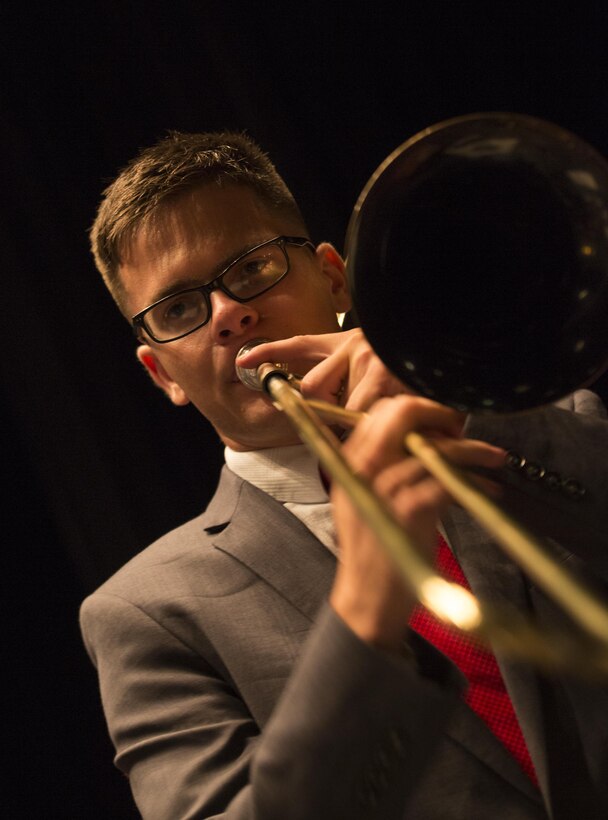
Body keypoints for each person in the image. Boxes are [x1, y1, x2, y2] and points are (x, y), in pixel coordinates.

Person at [80, 131, 608, 819]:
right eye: (178, 309)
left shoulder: (544, 420)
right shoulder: (147, 614)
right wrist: (364, 615)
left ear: (334, 278)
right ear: (162, 375)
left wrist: (463, 406)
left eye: (252, 269)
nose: (229, 314)